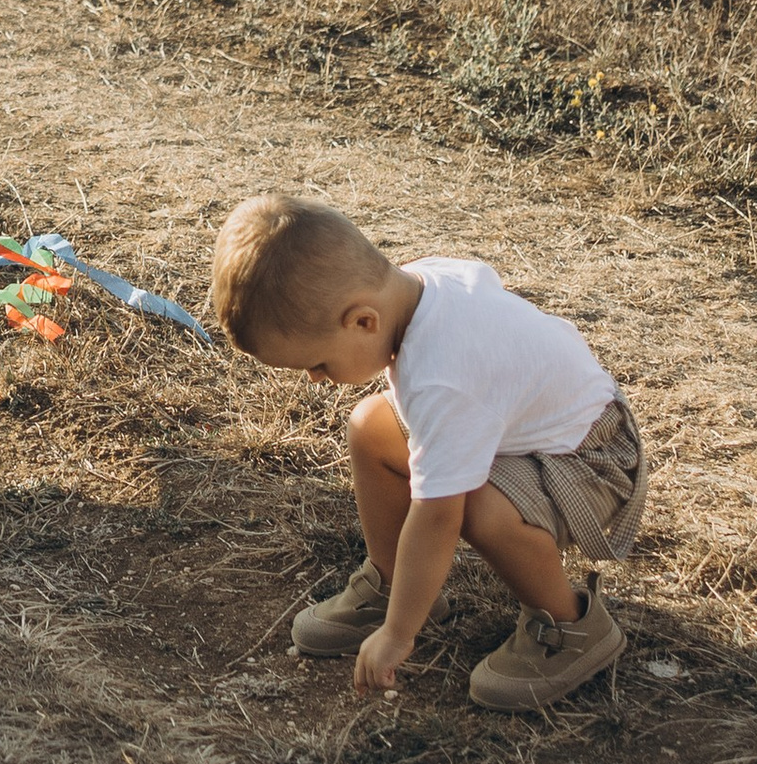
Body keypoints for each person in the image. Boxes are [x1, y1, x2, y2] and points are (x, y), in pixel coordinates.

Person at [209, 193, 648, 710]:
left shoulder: (441, 378)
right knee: (371, 424)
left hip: (592, 459)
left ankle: (570, 624)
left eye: (320, 364)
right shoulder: (415, 284)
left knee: (478, 504)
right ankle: (394, 581)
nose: (315, 379)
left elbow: (438, 515)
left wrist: (399, 635)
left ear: (363, 321)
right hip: (532, 430)